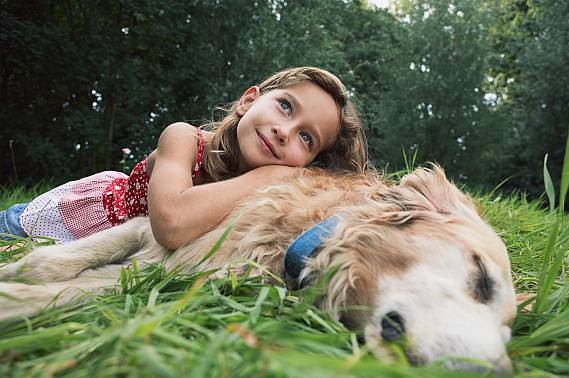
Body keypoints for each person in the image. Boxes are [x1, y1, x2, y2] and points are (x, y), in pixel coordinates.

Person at [0, 67, 368, 250]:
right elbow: (172, 224)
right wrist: (264, 179)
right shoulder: (184, 139)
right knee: (11, 227)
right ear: (248, 100)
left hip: (125, 250)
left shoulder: (276, 199)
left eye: (306, 137)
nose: (285, 131)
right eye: (285, 106)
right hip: (81, 217)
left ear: (309, 164)